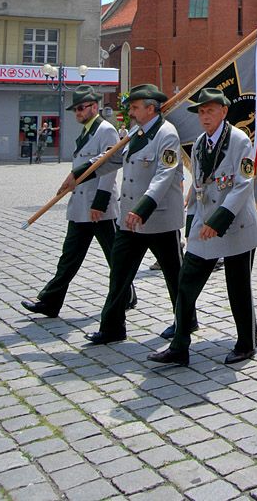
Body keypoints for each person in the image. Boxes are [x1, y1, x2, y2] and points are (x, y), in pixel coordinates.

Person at [148, 88, 257, 367]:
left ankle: (246, 343)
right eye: (201, 111)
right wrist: (193, 224)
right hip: (204, 225)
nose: (205, 116)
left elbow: (243, 185)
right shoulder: (199, 143)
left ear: (224, 111)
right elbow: (198, 187)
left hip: (235, 224)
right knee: (185, 284)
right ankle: (179, 346)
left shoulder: (239, 140)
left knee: (238, 287)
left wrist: (218, 221)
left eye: (210, 110)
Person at [21, 86, 136, 317]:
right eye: (75, 109)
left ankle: (127, 295)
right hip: (80, 207)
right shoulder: (85, 132)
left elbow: (110, 167)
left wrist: (100, 203)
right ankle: (50, 301)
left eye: (81, 108)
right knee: (69, 257)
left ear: (94, 106)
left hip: (98, 208)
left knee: (116, 257)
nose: (78, 113)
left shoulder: (105, 130)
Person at [85, 83, 185, 344]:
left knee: (174, 275)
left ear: (150, 109)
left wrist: (143, 209)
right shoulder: (135, 132)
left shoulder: (167, 134)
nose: (130, 111)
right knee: (119, 272)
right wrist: (80, 174)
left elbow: (164, 175)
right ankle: (112, 326)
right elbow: (115, 158)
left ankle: (185, 320)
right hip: (129, 220)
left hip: (158, 218)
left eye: (135, 107)